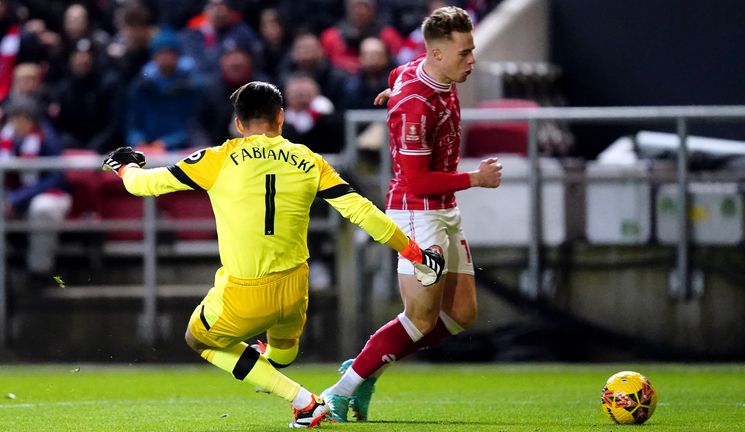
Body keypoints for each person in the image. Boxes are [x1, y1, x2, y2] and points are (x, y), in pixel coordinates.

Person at [102, 81, 445, 428]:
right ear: (281, 117)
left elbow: (142, 185)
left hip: (244, 293)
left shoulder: (217, 159)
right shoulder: (310, 160)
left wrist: (124, 166)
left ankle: (305, 402)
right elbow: (362, 212)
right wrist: (416, 254)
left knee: (198, 338)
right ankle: (266, 365)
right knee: (282, 354)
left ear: (238, 124)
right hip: (295, 289)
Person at [321, 6, 503, 423]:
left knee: (461, 315)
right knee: (420, 317)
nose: (472, 60)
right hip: (416, 215)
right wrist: (475, 178)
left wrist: (391, 91)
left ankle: (365, 369)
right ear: (437, 55)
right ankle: (339, 391)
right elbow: (419, 181)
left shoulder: (423, 71)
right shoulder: (416, 106)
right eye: (464, 53)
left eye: (471, 50)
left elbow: (396, 75)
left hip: (443, 211)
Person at [1, 96, 70, 283]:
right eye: (14, 118)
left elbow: (56, 178)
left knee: (42, 208)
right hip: (11, 197)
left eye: (24, 118)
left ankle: (39, 271)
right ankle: (3, 277)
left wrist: (18, 198)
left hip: (47, 194)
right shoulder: (5, 139)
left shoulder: (47, 139)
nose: (18, 123)